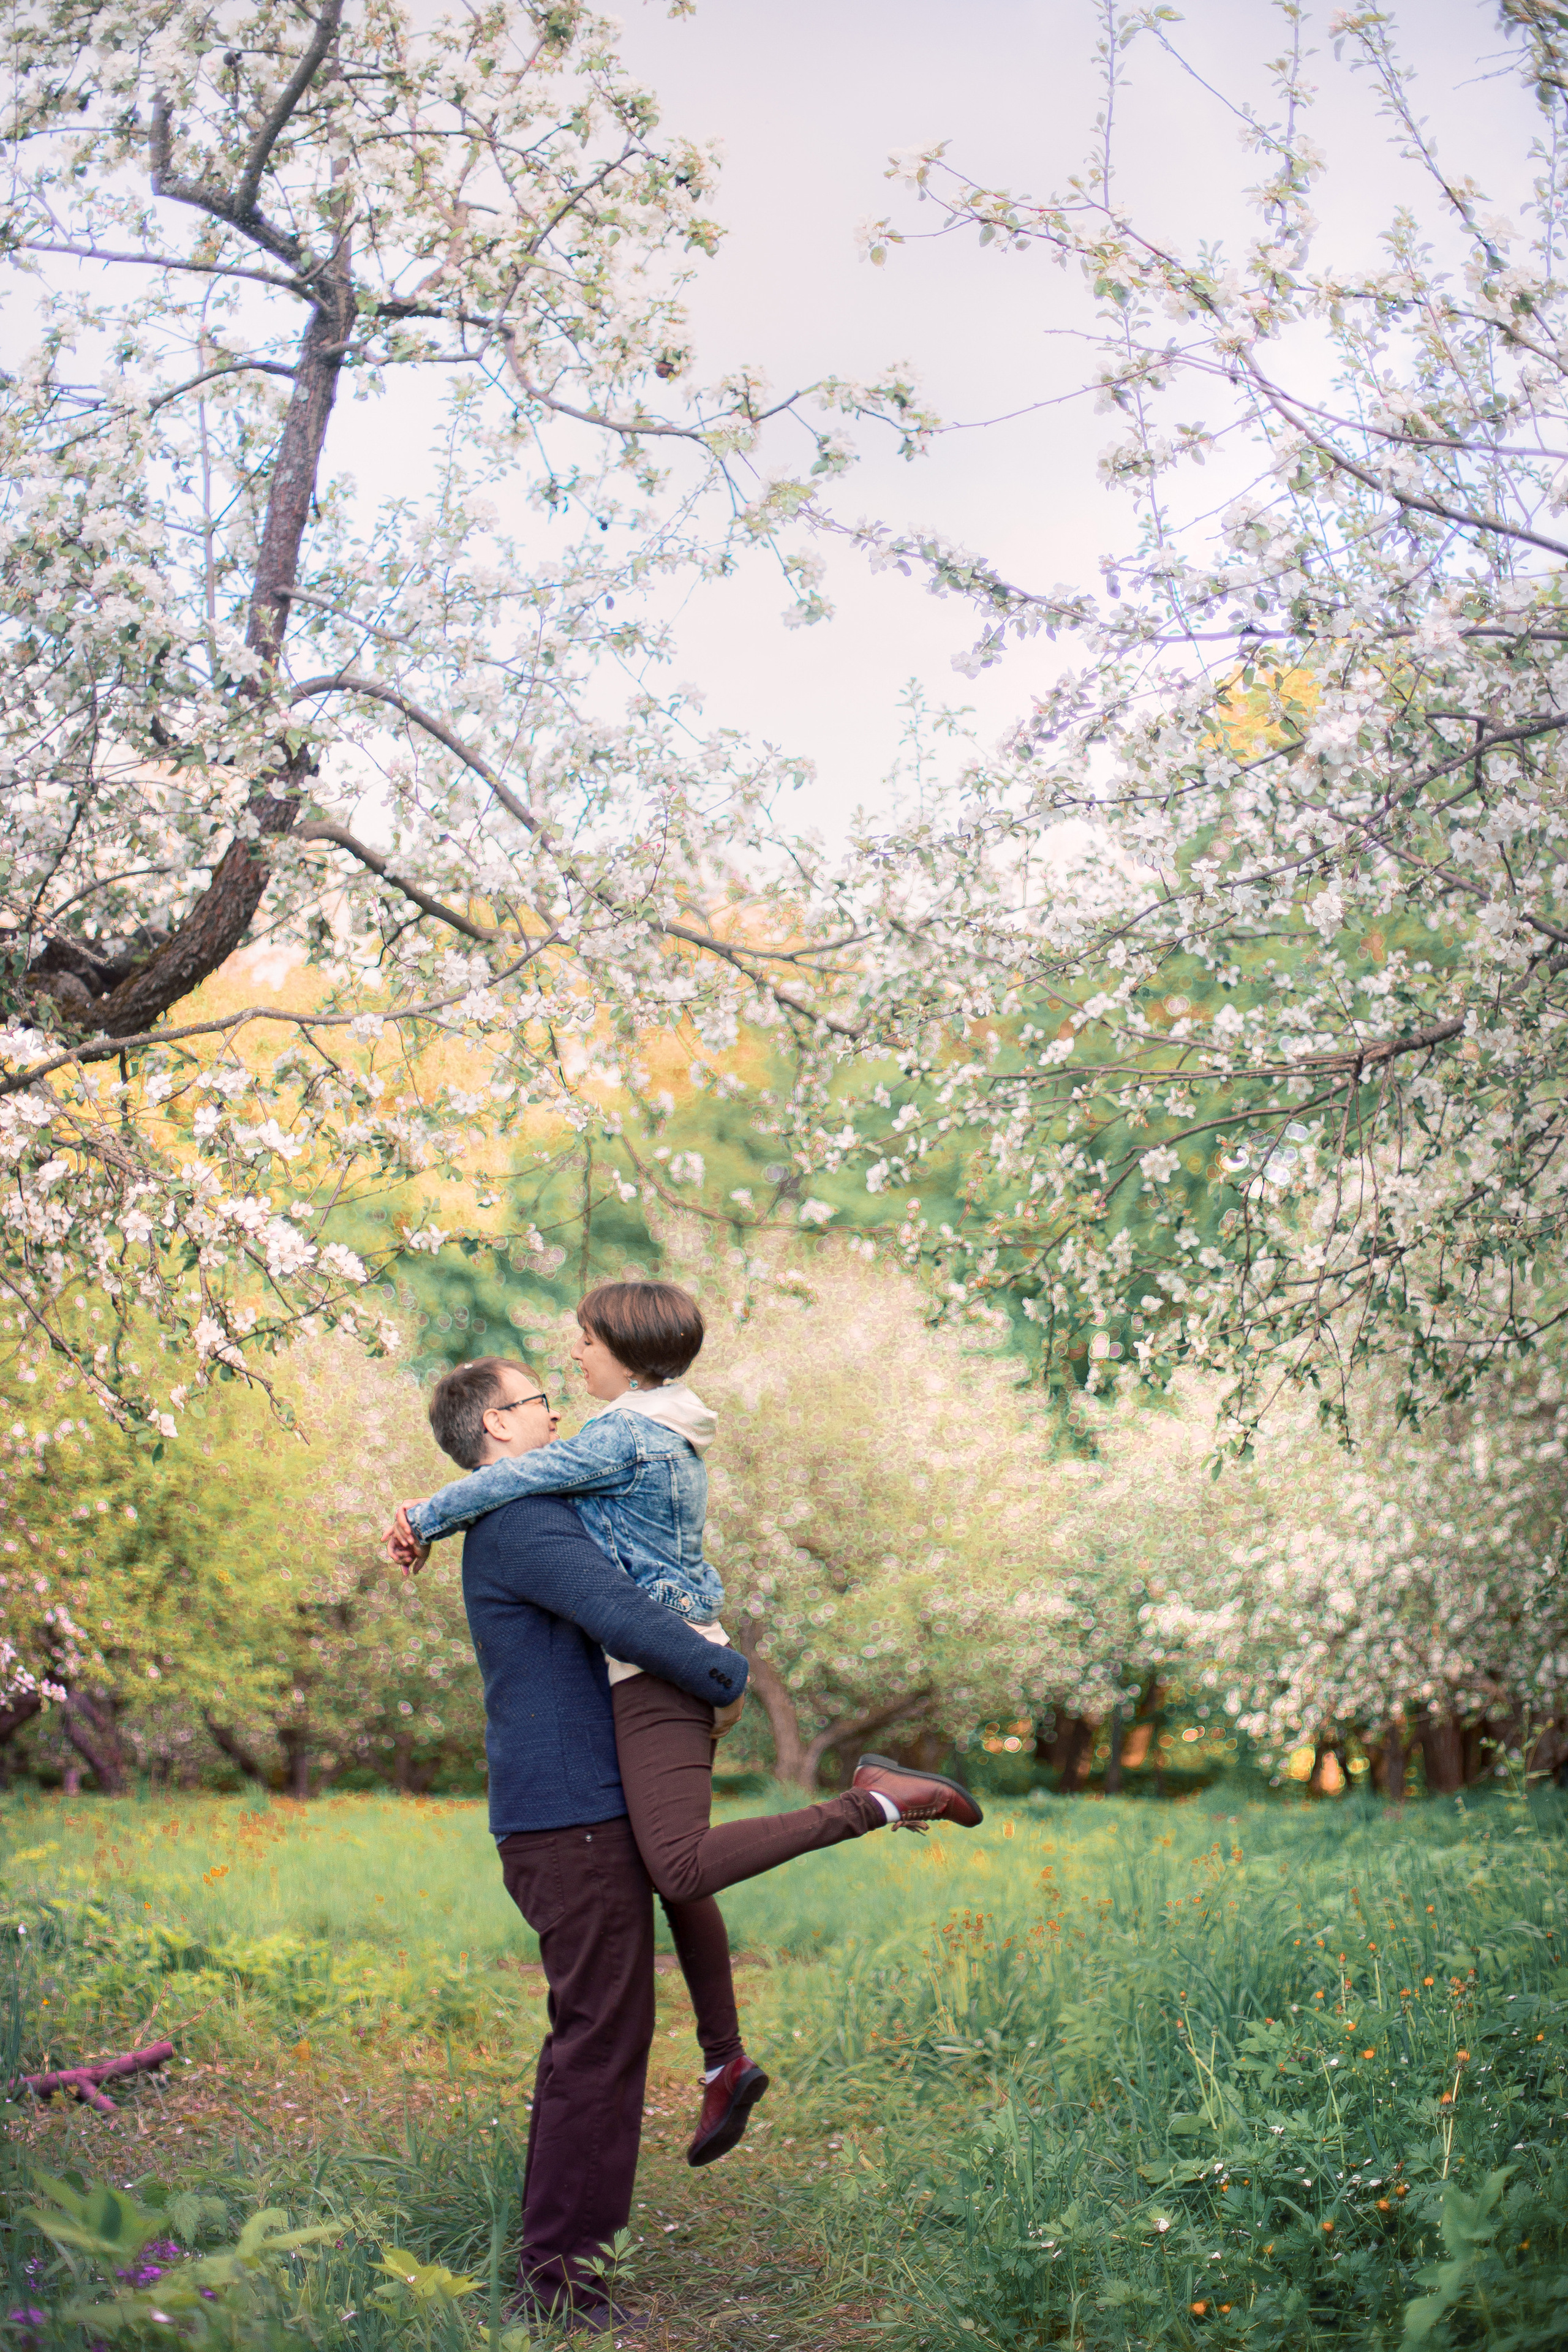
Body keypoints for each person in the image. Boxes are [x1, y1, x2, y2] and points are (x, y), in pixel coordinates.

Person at [386, 1292, 983, 2166]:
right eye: (539, 1394)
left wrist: (423, 1518)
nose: (565, 1385)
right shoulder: (648, 1428)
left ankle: (877, 1805)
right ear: (495, 1419)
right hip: (671, 1669)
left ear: (622, 1352)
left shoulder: (617, 1435)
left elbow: (519, 1486)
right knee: (675, 1872)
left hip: (665, 1672)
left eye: (581, 1349)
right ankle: (722, 2059)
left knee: (680, 1861)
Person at [457, 1464, 748, 2332]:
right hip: (573, 1823)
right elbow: (621, 1615)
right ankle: (559, 2291)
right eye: (535, 1400)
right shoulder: (523, 1521)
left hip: (572, 1816)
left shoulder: (516, 1518)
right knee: (598, 2049)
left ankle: (558, 2269)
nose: (553, 1412)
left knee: (588, 2043)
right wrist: (720, 1672)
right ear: (496, 1426)